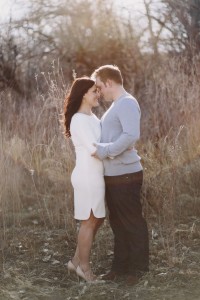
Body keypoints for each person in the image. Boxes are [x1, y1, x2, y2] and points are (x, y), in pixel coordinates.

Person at [91, 65, 149, 285]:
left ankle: (137, 271)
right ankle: (120, 267)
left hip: (126, 174)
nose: (99, 92)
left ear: (109, 83)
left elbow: (131, 135)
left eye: (99, 87)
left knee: (132, 222)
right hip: (114, 174)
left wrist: (105, 151)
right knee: (118, 222)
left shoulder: (126, 103)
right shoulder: (116, 105)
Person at [63, 77, 105, 282]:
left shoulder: (94, 118)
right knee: (89, 221)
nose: (98, 94)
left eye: (98, 90)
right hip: (87, 175)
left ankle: (74, 262)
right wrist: (118, 150)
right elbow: (93, 149)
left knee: (98, 219)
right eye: (94, 91)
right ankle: (84, 269)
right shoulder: (78, 119)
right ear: (83, 95)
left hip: (97, 175)